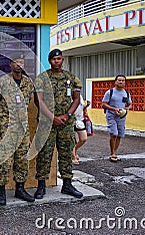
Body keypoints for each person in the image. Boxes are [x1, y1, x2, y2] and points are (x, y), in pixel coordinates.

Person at [33, 48, 83, 199]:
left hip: (66, 123)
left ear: (62, 60)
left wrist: (67, 116)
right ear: (50, 61)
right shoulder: (42, 78)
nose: (57, 61)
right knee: (44, 154)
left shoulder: (72, 78)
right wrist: (53, 117)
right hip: (47, 123)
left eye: (59, 58)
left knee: (67, 153)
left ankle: (67, 184)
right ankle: (41, 186)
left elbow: (76, 99)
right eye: (54, 59)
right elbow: (38, 100)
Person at [0, 55, 36, 206]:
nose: (19, 65)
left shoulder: (28, 83)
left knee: (22, 159)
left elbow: (29, 102)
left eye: (22, 62)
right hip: (7, 128)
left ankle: (20, 189)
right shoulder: (2, 82)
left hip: (23, 129)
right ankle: (1, 191)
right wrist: (5, 115)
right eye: (16, 62)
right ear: (10, 64)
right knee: (4, 159)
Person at [102, 74, 132, 162]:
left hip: (121, 116)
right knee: (114, 134)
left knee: (119, 135)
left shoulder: (126, 93)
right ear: (115, 82)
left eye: (123, 80)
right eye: (119, 80)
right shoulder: (110, 92)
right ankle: (112, 153)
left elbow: (130, 104)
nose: (121, 82)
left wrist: (127, 108)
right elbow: (104, 103)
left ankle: (115, 152)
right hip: (111, 115)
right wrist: (114, 109)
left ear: (125, 83)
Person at [72, 95, 90, 165]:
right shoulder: (68, 94)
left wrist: (86, 106)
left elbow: (81, 108)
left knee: (83, 138)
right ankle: (73, 157)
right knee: (72, 139)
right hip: (70, 119)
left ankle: (75, 150)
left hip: (79, 120)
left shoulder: (80, 96)